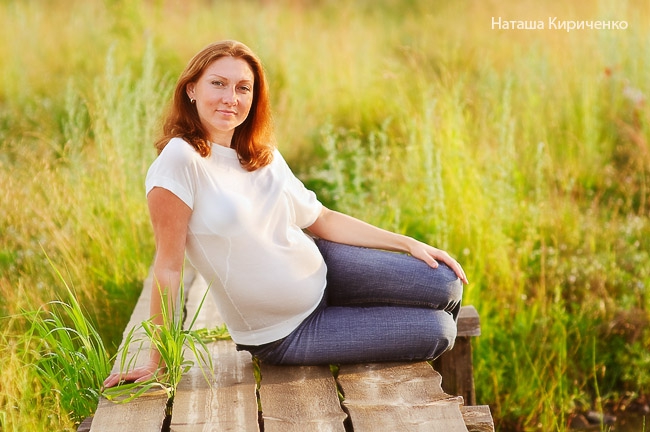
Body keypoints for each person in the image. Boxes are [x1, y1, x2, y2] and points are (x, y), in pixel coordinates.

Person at [103, 40, 467, 388]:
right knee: (438, 330)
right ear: (191, 89)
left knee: (445, 281)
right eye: (218, 84)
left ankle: (375, 316)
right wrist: (158, 362)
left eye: (243, 88)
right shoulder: (180, 160)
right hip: (287, 332)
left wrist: (407, 243)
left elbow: (320, 218)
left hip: (325, 269)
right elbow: (168, 269)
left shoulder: (259, 153)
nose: (231, 98)